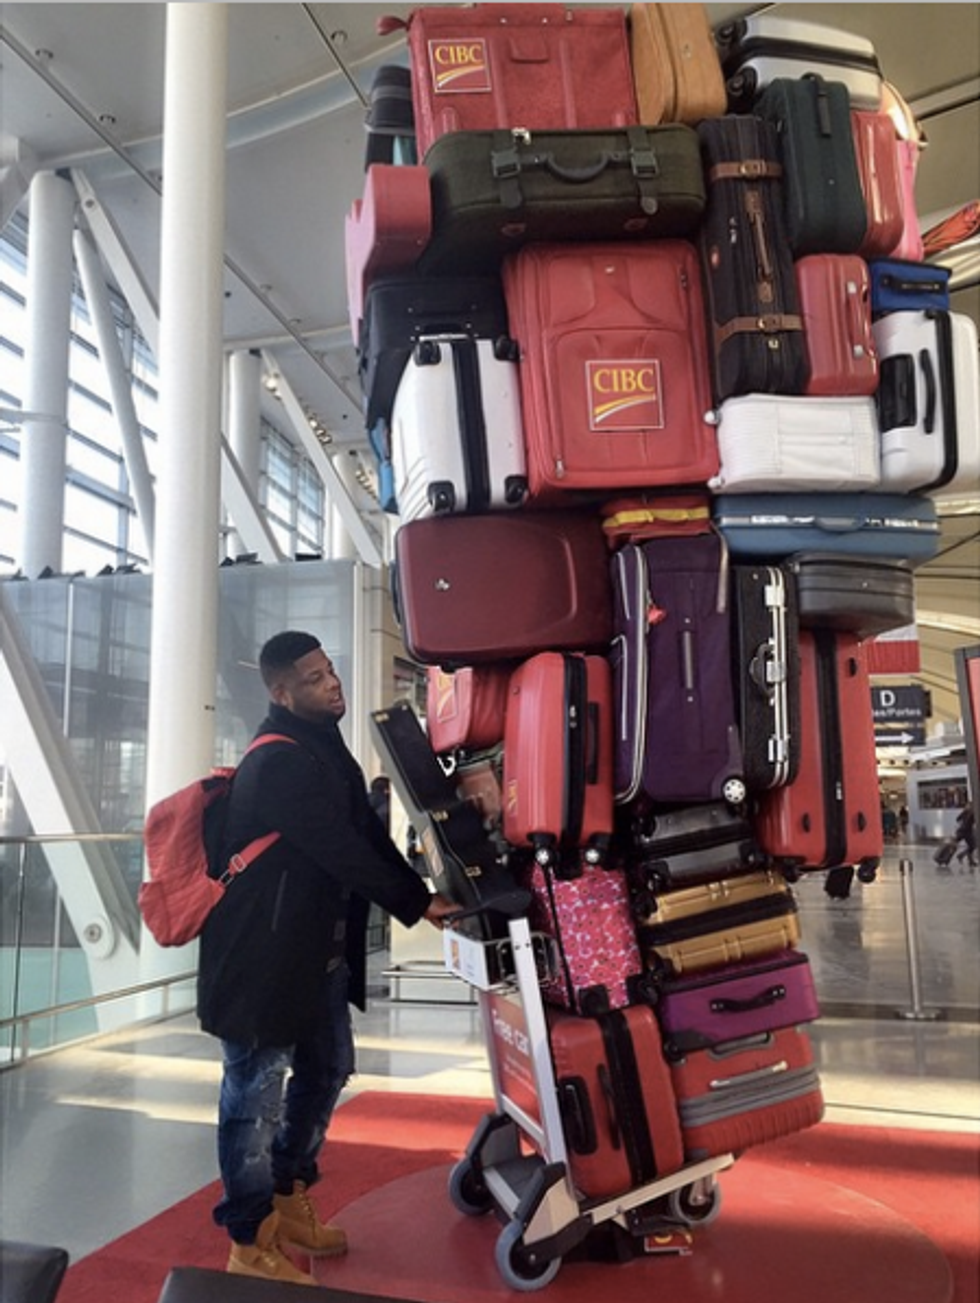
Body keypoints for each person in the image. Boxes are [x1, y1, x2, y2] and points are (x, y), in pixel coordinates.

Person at [197, 631, 457, 1285]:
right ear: (282, 694)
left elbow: (366, 831)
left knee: (328, 1069)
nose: (332, 683)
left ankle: (287, 1193)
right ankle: (249, 1238)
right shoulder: (277, 761)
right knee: (254, 1095)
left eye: (330, 670)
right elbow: (340, 847)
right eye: (314, 679)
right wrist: (416, 901)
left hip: (314, 954)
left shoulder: (323, 746)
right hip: (259, 961)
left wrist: (424, 889)